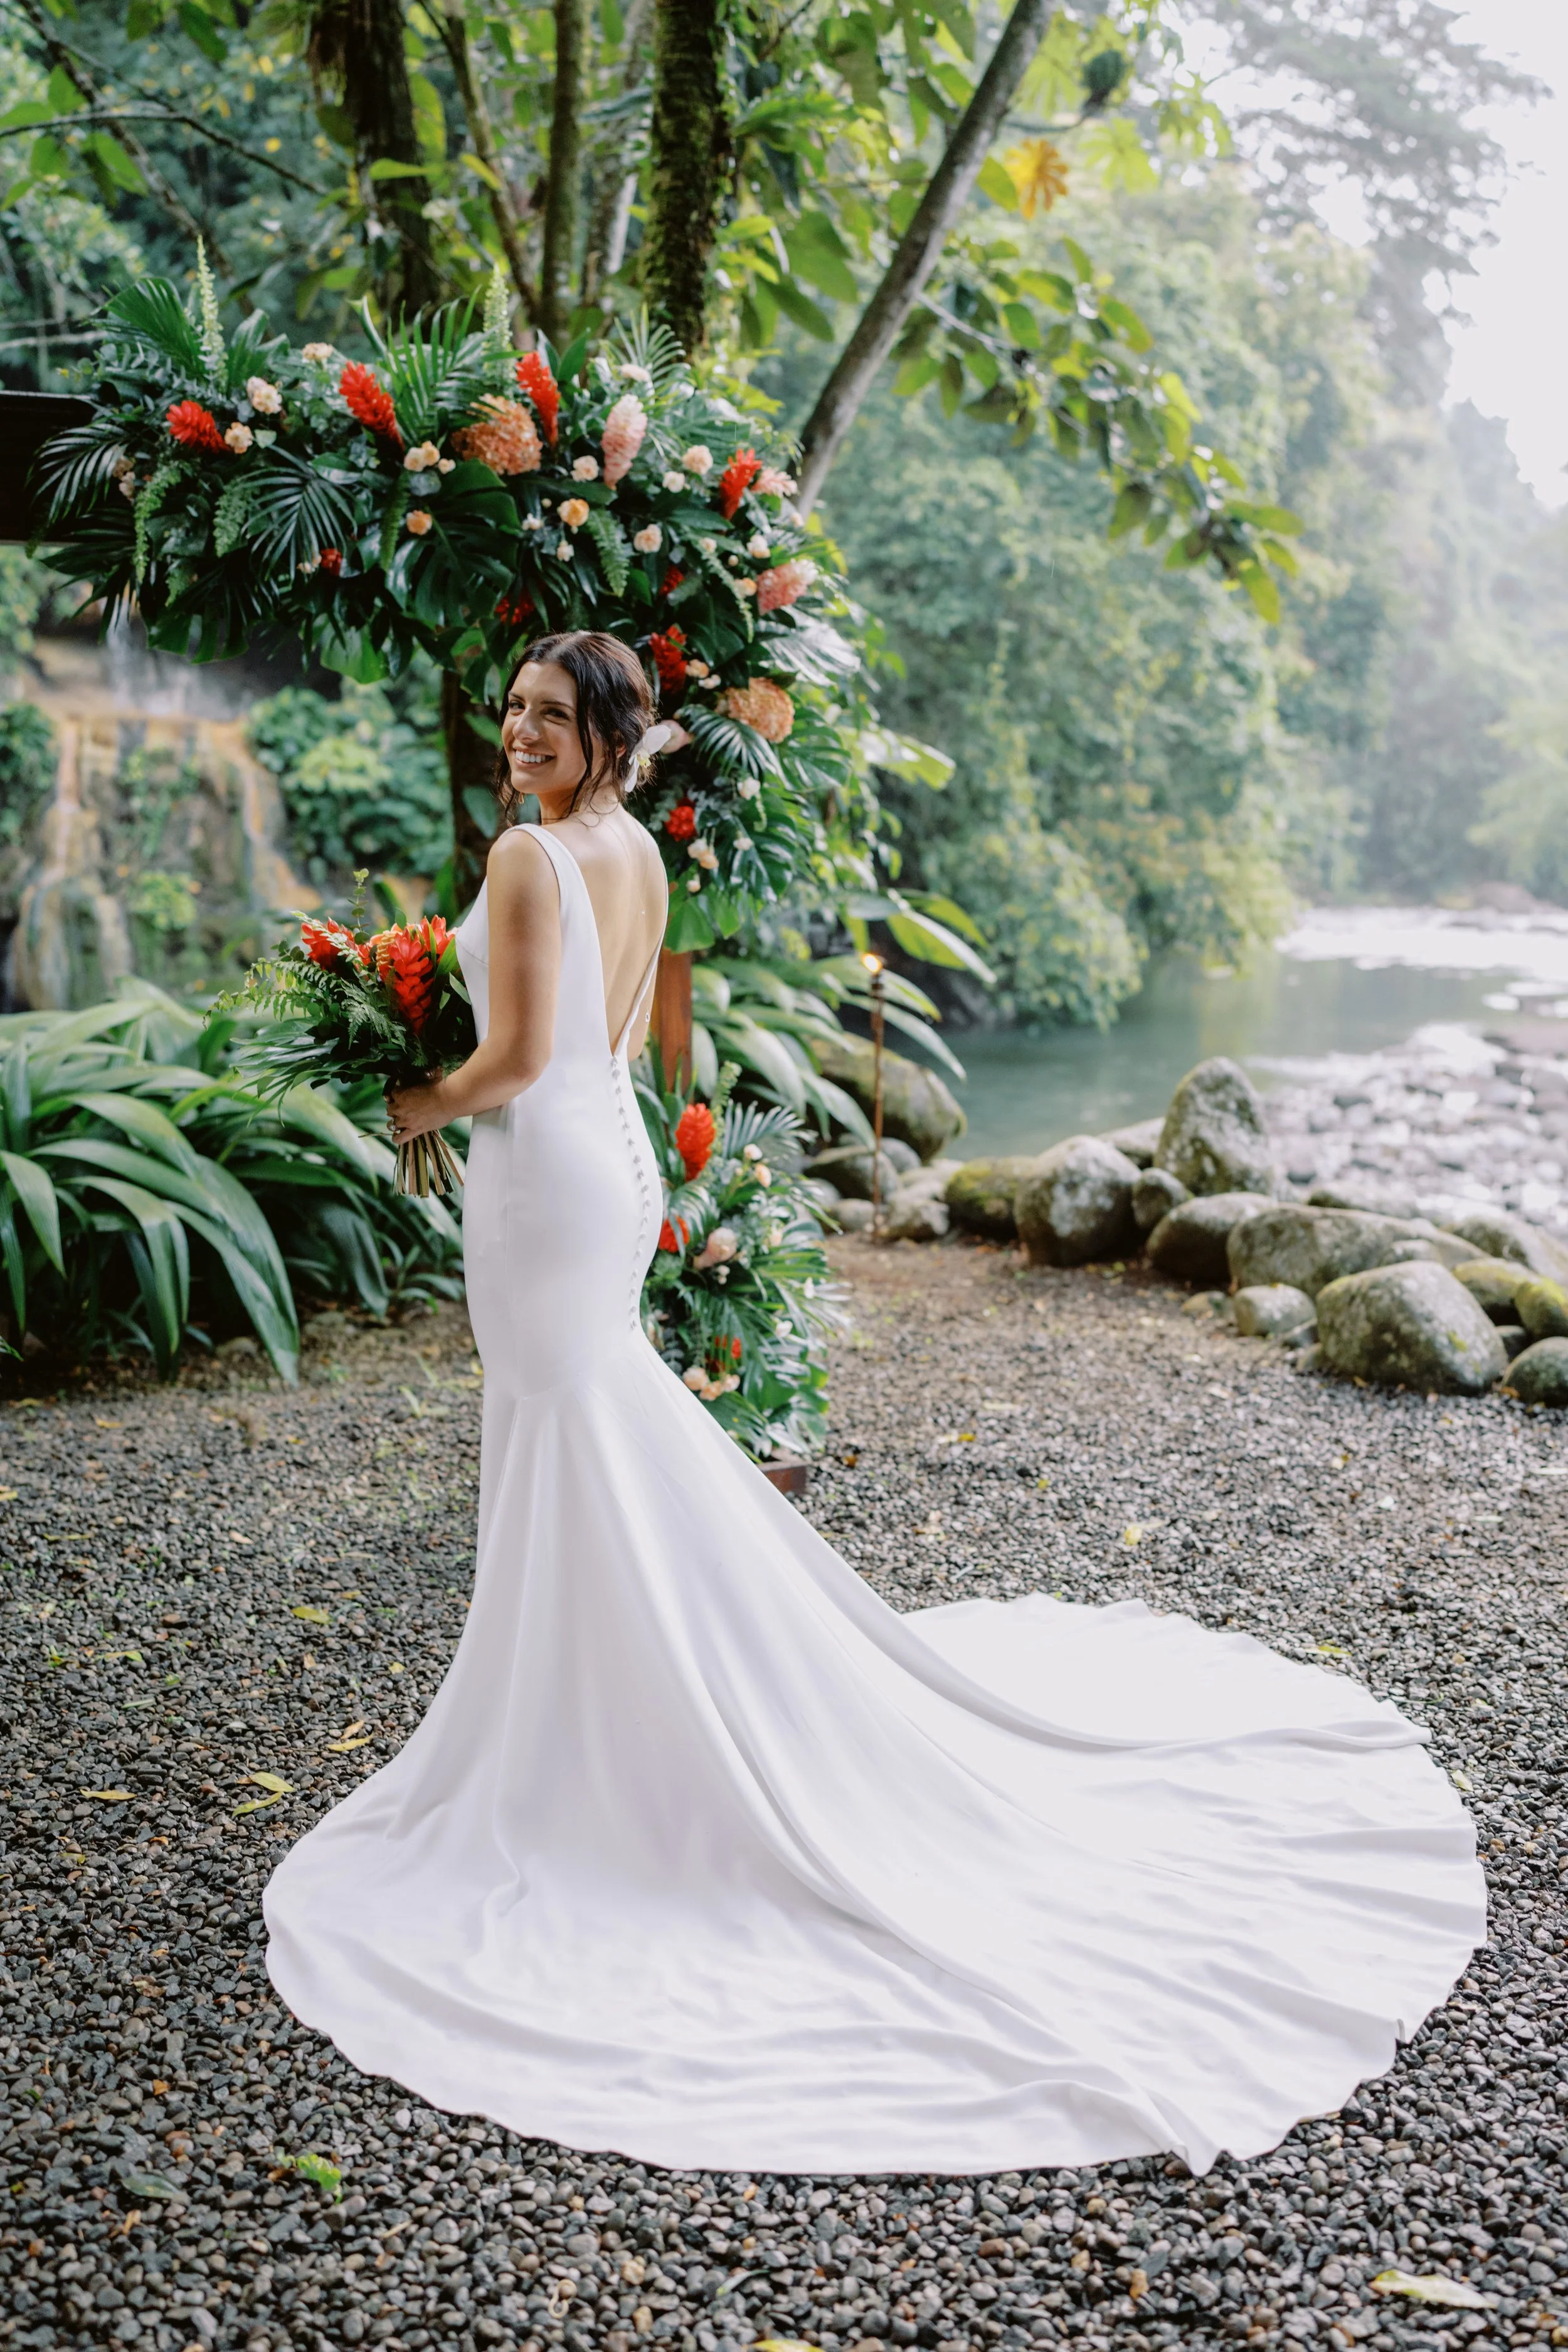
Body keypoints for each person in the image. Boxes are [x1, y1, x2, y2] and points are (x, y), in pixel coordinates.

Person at [263, 629, 1485, 2178]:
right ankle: (608, 1692)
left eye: (550, 715)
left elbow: (507, 1060)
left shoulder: (524, 857)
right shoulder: (634, 852)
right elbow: (606, 1042)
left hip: (543, 1180)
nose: (519, 732)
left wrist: (414, 1097)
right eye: (513, 709)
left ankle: (581, 1740)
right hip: (609, 1165)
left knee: (568, 1429)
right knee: (595, 1428)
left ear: (608, 732)